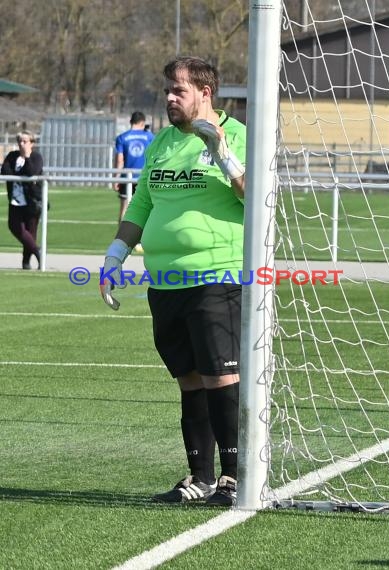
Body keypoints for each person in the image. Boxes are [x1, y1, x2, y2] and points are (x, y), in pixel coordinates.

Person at [100, 56, 246, 507]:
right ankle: (199, 477)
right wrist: (115, 255)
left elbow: (260, 196)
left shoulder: (240, 133)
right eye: (167, 89)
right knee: (188, 378)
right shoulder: (162, 141)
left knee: (221, 377)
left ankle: (235, 477)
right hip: (164, 282)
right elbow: (142, 204)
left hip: (217, 275)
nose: (169, 98)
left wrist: (223, 152)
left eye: (178, 90)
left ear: (205, 92)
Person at [1, 130, 43, 270]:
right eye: (20, 141)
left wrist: (26, 157)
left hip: (32, 201)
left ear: (32, 143)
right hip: (15, 200)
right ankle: (38, 252)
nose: (22, 144)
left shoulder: (36, 157)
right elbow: (5, 171)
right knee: (15, 227)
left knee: (31, 232)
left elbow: (32, 172)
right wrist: (19, 173)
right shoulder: (12, 156)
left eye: (25, 141)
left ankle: (26, 263)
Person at [113, 110, 155, 224]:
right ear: (142, 122)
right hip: (144, 177)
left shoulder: (122, 138)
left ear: (131, 121)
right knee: (145, 210)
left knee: (124, 208)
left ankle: (120, 239)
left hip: (126, 178)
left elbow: (120, 160)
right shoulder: (150, 137)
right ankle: (141, 241)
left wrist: (116, 178)